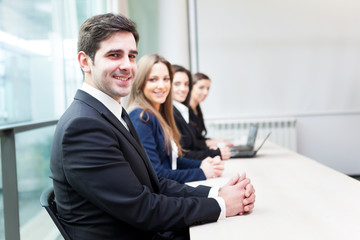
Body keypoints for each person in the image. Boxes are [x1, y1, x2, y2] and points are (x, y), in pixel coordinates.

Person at [50, 13, 255, 240]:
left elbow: (154, 183)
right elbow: (143, 209)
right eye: (114, 55)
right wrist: (223, 205)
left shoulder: (110, 114)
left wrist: (216, 192)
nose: (127, 65)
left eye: (131, 56)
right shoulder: (84, 126)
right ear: (84, 62)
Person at [127, 54, 224, 183]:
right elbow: (156, 175)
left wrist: (201, 164)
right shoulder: (141, 118)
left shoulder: (156, 114)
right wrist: (201, 172)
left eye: (166, 79)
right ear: (139, 83)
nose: (161, 86)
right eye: (153, 79)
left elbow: (172, 160)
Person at [172, 64, 231, 160]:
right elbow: (188, 147)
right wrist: (213, 151)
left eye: (186, 84)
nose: (206, 92)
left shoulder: (194, 109)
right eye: (201, 87)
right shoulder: (179, 112)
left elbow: (196, 139)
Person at [189, 72, 233, 149]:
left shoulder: (197, 108)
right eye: (201, 87)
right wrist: (211, 142)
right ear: (191, 87)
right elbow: (191, 142)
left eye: (208, 88)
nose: (206, 92)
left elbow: (198, 137)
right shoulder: (185, 112)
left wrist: (216, 141)